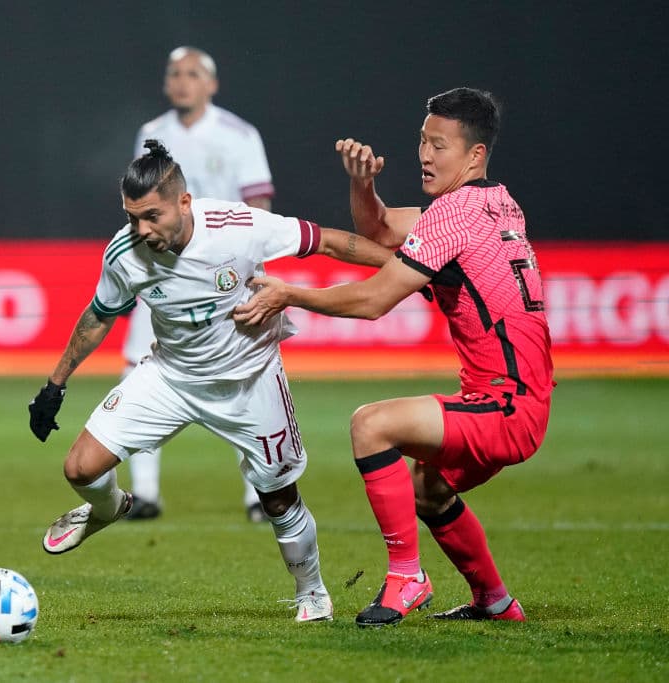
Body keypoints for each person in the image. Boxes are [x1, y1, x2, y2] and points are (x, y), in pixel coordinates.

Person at [28, 140, 394, 622]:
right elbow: (100, 315)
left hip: (250, 379)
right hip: (171, 378)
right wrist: (55, 384)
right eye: (132, 217)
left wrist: (405, 271)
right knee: (79, 469)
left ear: (185, 202)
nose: (141, 229)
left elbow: (328, 241)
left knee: (279, 497)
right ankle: (109, 508)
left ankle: (311, 591)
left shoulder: (239, 227)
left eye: (152, 216)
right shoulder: (125, 253)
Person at [233, 88, 553, 627]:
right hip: (514, 399)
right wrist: (363, 185)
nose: (425, 155)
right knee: (431, 488)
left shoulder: (455, 216)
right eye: (422, 141)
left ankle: (407, 576)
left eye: (439, 145)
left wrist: (291, 293)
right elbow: (379, 228)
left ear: (474, 155)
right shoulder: (496, 202)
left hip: (507, 407)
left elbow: (375, 299)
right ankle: (494, 602)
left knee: (371, 425)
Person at [123, 46, 276, 522]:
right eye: (175, 74)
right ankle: (144, 494)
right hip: (164, 273)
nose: (182, 81)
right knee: (137, 368)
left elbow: (260, 204)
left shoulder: (238, 134)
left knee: (241, 378)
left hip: (223, 277)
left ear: (211, 84)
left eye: (192, 74)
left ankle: (260, 495)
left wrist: (258, 269)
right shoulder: (152, 134)